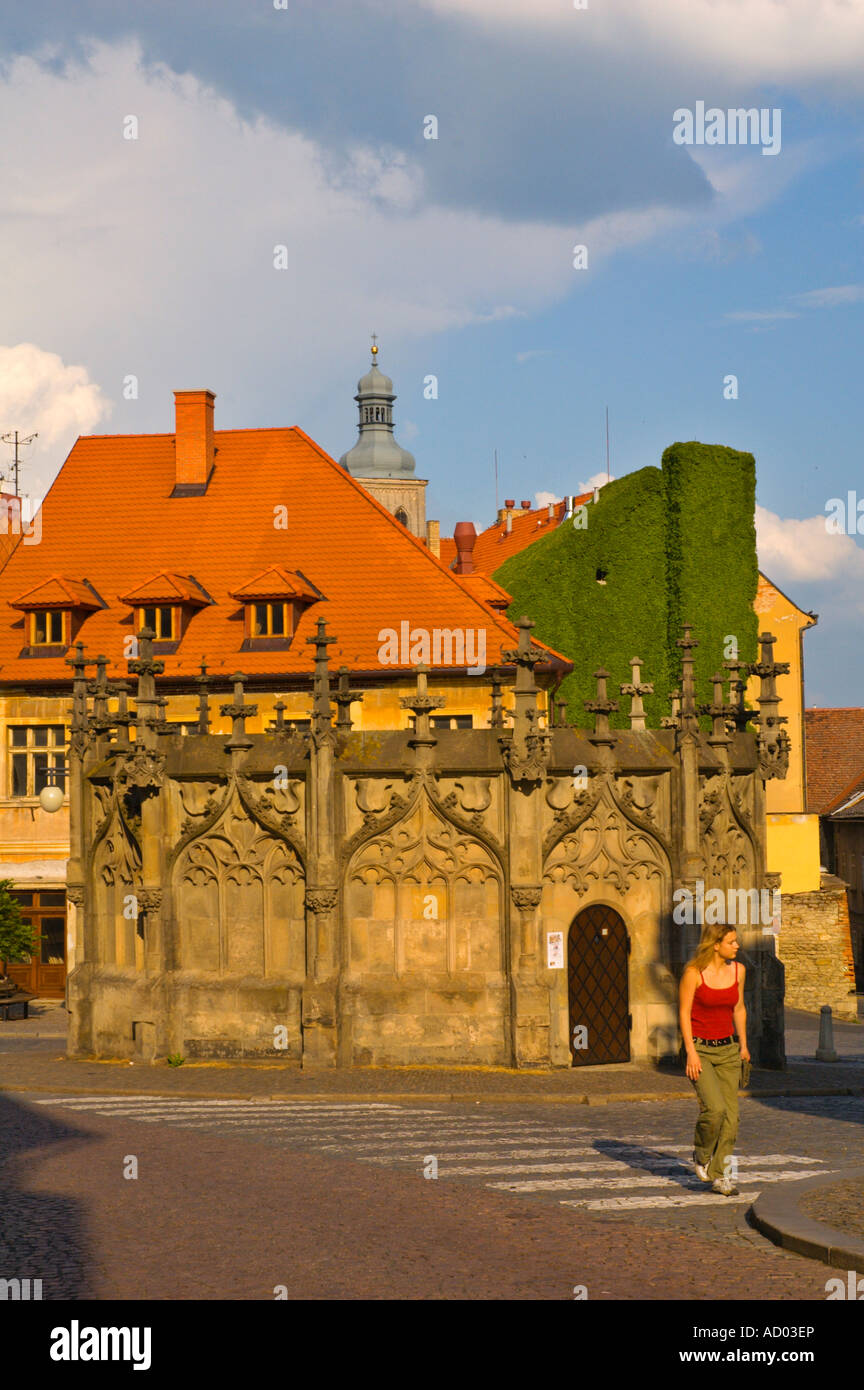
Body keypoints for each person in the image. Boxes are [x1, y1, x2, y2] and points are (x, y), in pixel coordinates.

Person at [678, 922, 750, 1196]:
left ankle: (720, 1176)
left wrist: (743, 1044)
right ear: (715, 945)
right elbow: (684, 1013)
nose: (737, 946)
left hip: (728, 1050)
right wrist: (690, 1052)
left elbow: (739, 1008)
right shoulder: (693, 973)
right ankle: (702, 1154)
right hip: (701, 1050)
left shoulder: (738, 971)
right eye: (732, 942)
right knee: (715, 1109)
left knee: (732, 1117)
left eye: (736, 941)